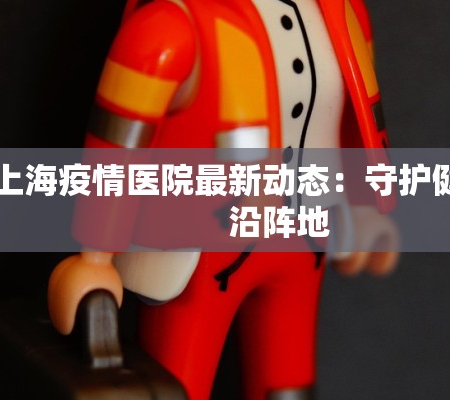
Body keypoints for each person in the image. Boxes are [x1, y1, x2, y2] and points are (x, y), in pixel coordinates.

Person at [48, 0, 399, 398]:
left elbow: (357, 114)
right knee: (181, 383)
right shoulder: (173, 24)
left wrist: (364, 206)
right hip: (205, 246)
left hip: (306, 240)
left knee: (289, 383)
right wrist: (96, 254)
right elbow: (119, 138)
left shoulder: (345, 12)